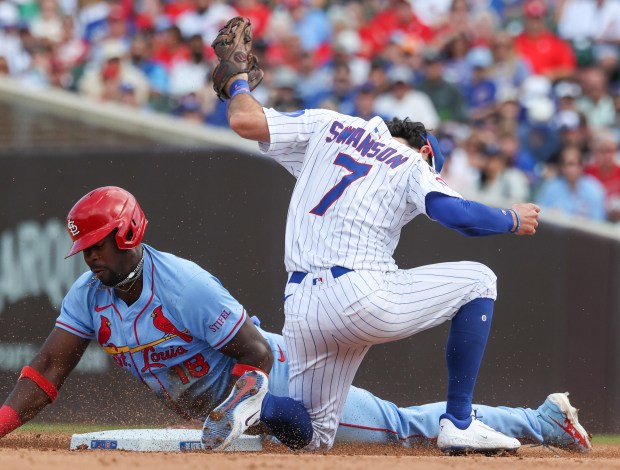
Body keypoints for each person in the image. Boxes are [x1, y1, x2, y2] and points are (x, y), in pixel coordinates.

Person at [0, 187, 591, 455]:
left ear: (128, 234)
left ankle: (541, 421)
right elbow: (50, 366)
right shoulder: (88, 293)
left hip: (279, 381)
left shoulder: (183, 286)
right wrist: (3, 422)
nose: (92, 255)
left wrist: (249, 405)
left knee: (403, 428)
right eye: (87, 249)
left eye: (99, 244)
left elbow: (256, 353)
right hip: (232, 407)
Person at [216, 18, 542, 453]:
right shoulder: (411, 164)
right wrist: (510, 218)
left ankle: (259, 404)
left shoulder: (329, 125)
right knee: (480, 279)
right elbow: (453, 213)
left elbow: (243, 120)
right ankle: (459, 422)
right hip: (360, 295)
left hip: (301, 308)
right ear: (426, 150)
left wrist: (237, 82)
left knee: (312, 436)